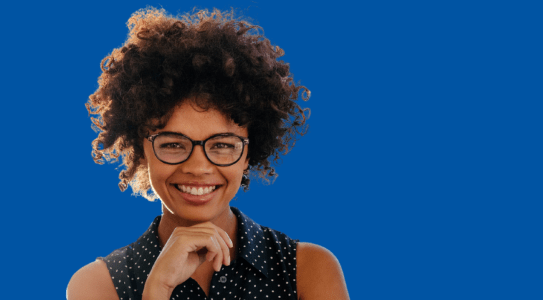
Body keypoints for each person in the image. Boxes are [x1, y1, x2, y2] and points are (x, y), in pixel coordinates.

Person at [67, 7, 349, 300]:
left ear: (249, 153)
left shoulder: (307, 269)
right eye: (173, 144)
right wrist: (157, 288)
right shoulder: (97, 284)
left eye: (223, 145)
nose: (198, 167)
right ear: (141, 151)